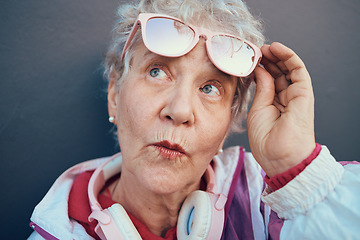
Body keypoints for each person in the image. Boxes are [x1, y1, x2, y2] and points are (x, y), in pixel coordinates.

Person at [28, 0, 360, 239]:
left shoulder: (273, 205)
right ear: (115, 93)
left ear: (229, 121)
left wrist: (299, 173)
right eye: (157, 71)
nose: (181, 110)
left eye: (210, 88)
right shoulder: (60, 229)